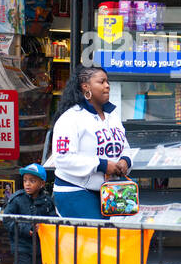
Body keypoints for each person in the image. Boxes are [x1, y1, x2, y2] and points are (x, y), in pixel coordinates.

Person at [48, 66, 132, 220]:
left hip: (110, 191)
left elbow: (124, 146)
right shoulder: (70, 118)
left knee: (116, 237)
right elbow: (62, 158)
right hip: (74, 191)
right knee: (97, 238)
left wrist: (125, 161)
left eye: (108, 82)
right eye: (101, 82)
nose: (107, 85)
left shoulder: (112, 116)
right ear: (85, 86)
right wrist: (102, 165)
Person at [2, 163, 54, 264]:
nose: (28, 184)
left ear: (42, 183)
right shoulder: (17, 199)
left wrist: (45, 225)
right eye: (25, 180)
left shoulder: (47, 201)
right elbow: (8, 220)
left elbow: (52, 219)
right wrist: (27, 229)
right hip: (22, 245)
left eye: (32, 181)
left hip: (40, 246)